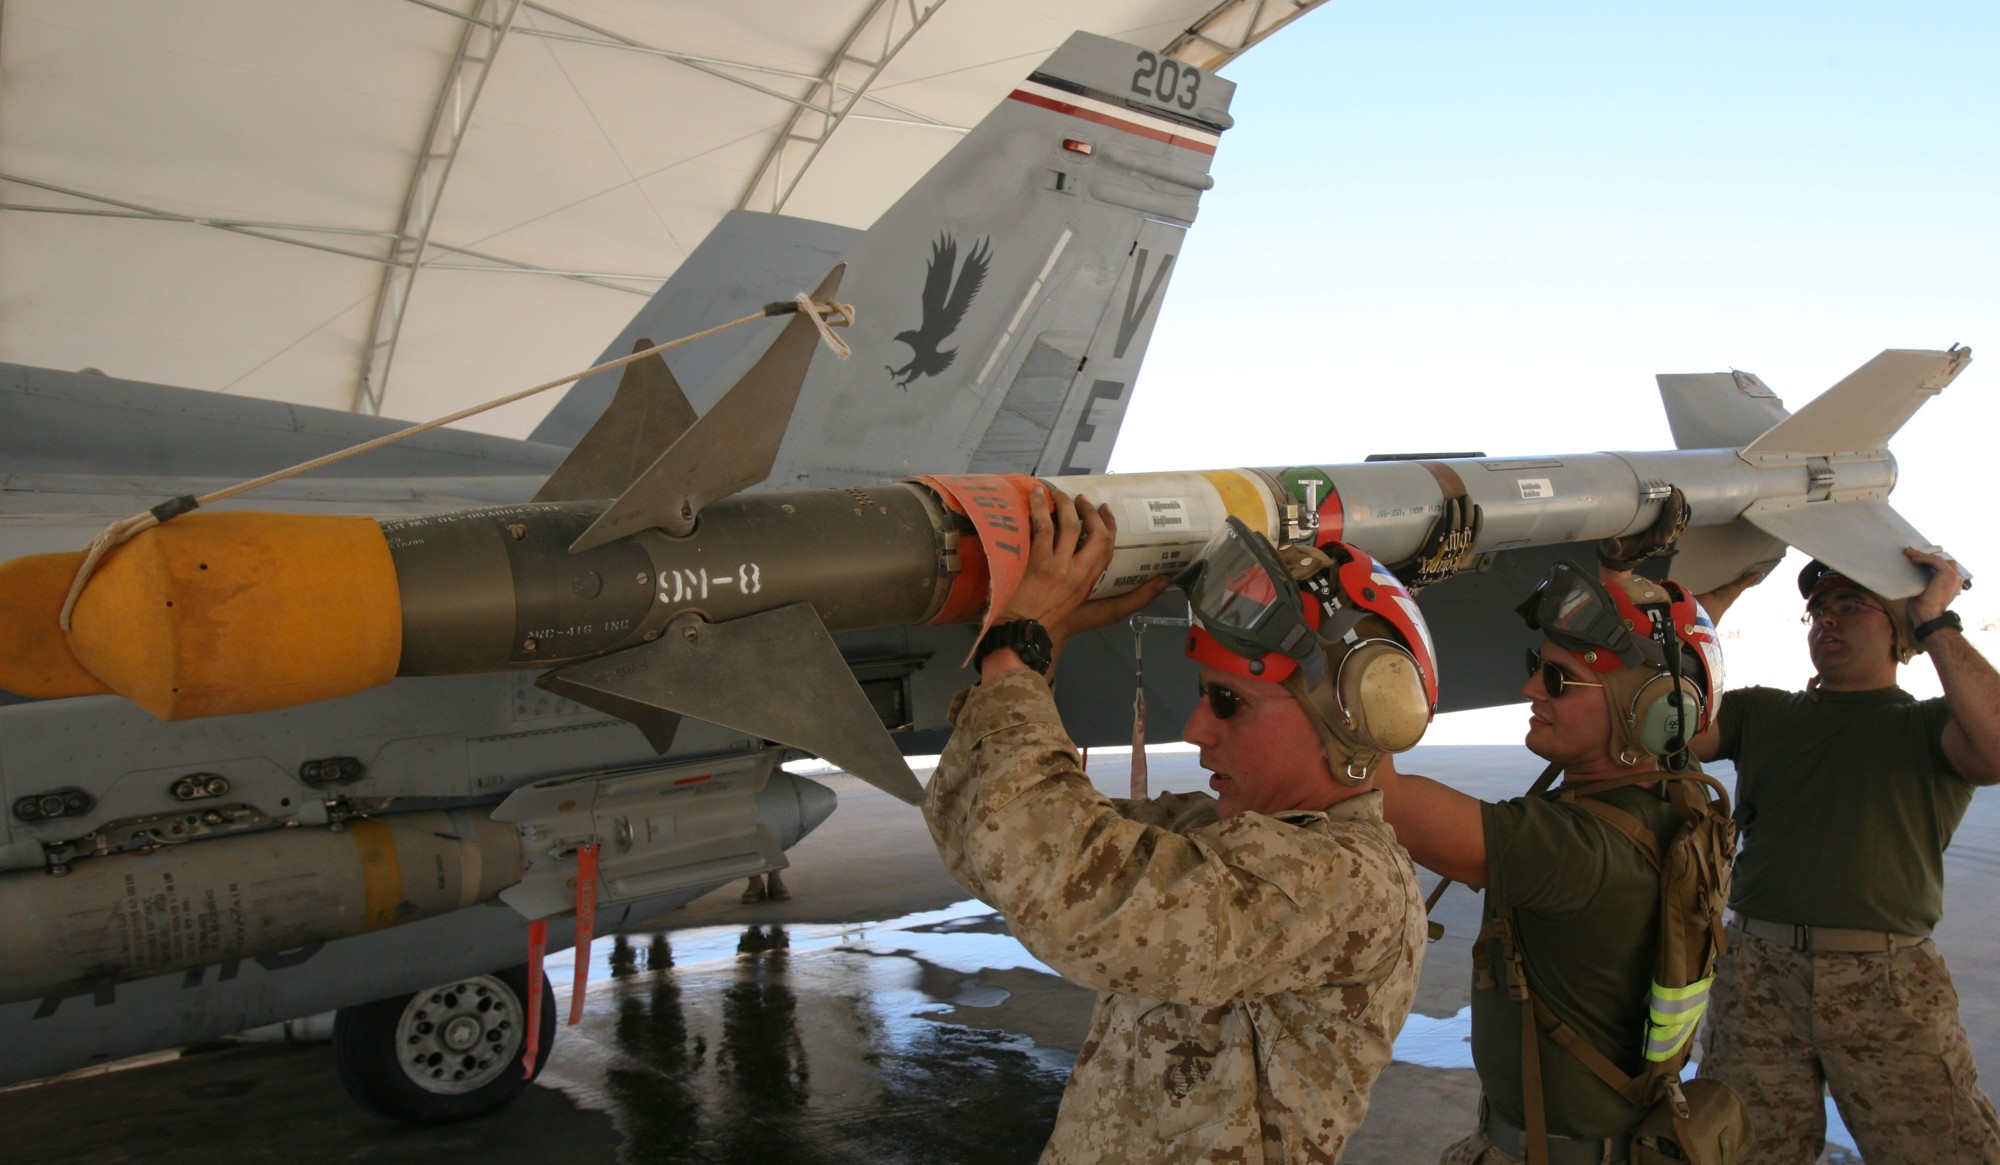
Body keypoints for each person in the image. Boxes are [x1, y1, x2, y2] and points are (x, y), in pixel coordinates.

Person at [923, 488, 1436, 1163]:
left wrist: (1020, 650)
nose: (1195, 730)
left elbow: (1065, 889)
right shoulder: (1225, 833)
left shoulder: (1345, 881)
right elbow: (992, 842)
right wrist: (1036, 650)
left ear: (1348, 715)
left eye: (1228, 702)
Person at [1375, 562, 1729, 1164]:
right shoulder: (1678, 800)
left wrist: (1379, 625)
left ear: (1645, 710)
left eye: (1559, 681)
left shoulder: (1579, 851)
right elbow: (1674, 684)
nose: (1531, 689)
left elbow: (1381, 791)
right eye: (1535, 667)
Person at [1692, 548, 2000, 1164]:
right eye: (1818, 611)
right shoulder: (1764, 711)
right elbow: (1663, 721)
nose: (1827, 621)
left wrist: (1935, 621)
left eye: (1851, 607)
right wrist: (1711, 605)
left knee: (1942, 1151)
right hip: (1758, 974)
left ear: (1897, 632)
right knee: (1746, 1151)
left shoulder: (1932, 727)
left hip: (1886, 984)